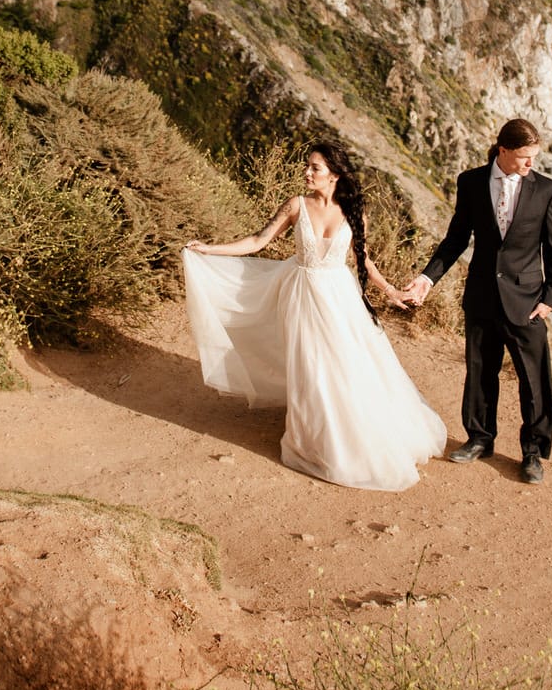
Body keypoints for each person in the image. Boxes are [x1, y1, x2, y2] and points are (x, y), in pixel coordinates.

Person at [182, 142, 446, 491]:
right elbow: (258, 241)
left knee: (343, 365)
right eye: (307, 166)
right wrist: (210, 250)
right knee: (309, 365)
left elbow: (364, 260)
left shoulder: (355, 210)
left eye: (315, 168)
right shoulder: (296, 205)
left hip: (338, 297)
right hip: (301, 293)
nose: (307, 173)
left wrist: (391, 291)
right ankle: (313, 441)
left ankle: (350, 436)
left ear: (334, 175)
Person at [401, 118, 552, 484]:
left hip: (528, 302)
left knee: (534, 381)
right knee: (479, 372)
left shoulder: (548, 191)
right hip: (481, 296)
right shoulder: (471, 182)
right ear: (503, 151)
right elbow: (456, 238)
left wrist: (549, 299)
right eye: (524, 157)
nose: (530, 165)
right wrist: (428, 278)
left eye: (534, 157)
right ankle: (479, 438)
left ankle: (533, 453)